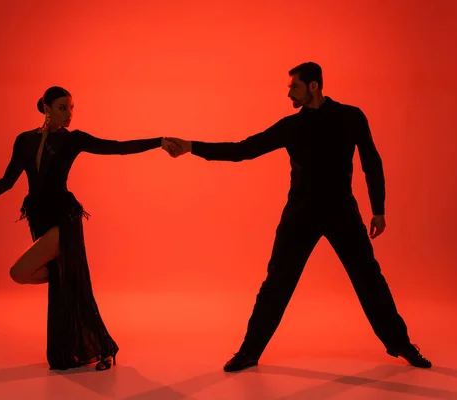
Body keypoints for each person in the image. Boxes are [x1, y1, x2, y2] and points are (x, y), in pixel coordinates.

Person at [163, 62, 431, 371]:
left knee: (369, 279)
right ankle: (249, 352)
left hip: (342, 212)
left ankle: (401, 344)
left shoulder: (351, 117)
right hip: (300, 215)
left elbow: (372, 161)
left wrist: (379, 209)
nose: (289, 92)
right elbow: (243, 150)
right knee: (277, 283)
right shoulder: (291, 126)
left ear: (313, 86)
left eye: (294, 86)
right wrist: (190, 147)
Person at [0, 86, 177, 371]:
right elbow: (8, 181)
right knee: (64, 281)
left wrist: (158, 141)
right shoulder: (24, 141)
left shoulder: (74, 140)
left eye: (71, 108)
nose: (69, 114)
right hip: (37, 217)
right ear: (45, 107)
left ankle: (102, 347)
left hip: (63, 218)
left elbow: (117, 147)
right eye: (62, 108)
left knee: (20, 272)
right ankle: (102, 348)